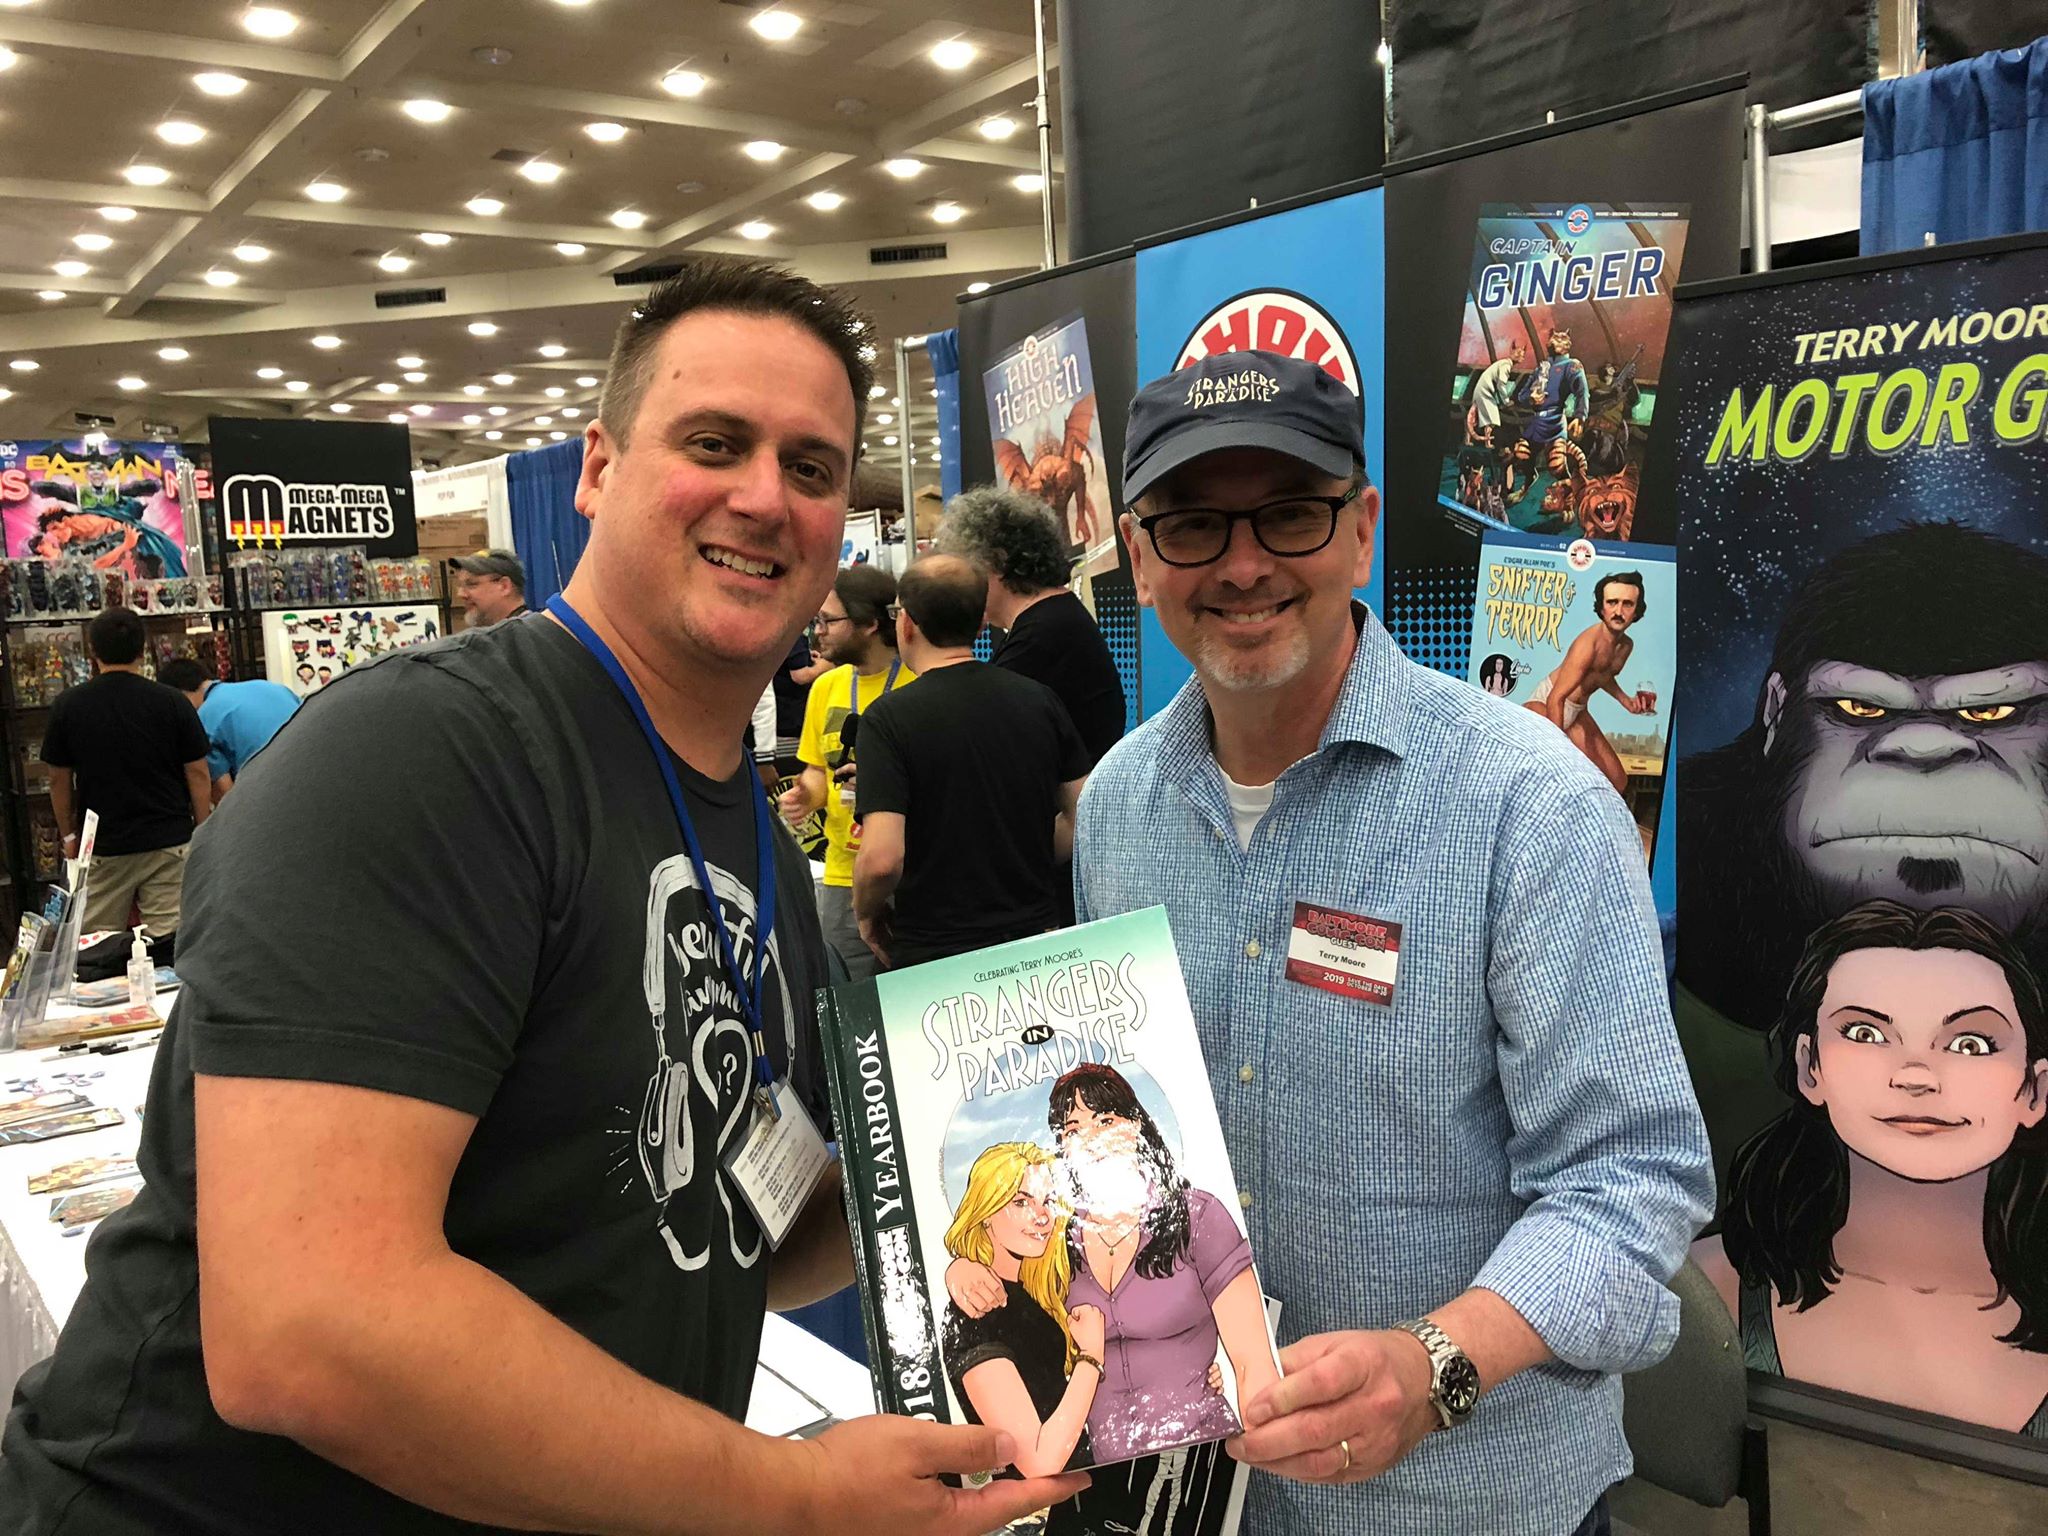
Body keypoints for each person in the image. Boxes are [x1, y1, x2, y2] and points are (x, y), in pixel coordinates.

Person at [0, 260, 1083, 1536]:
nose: (762, 497)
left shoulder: (754, 845)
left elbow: (744, 1221)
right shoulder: (431, 755)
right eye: (713, 443)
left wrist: (976, 1172)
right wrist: (790, 1497)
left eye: (810, 466)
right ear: (598, 469)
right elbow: (308, 1329)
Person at [1066, 349, 1711, 1535]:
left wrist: (1436, 1363)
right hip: (1191, 1494)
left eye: (1290, 513)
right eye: (1192, 523)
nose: (1243, 564)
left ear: (1360, 531)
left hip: (1463, 1501)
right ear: (1139, 556)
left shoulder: (1529, 805)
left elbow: (1629, 1180)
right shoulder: (1115, 808)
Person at [1695, 900, 2048, 1436]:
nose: (1916, 1075)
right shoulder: (1708, 1287)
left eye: (1970, 1043)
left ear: (2035, 1089)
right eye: (1866, 1034)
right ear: (1809, 1066)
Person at [850, 555, 1089, 970]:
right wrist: (1019, 854)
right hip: (1035, 947)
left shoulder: (886, 720)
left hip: (934, 958)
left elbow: (882, 858)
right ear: (980, 624)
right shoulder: (1040, 701)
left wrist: (866, 911)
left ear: (906, 624)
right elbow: (1083, 813)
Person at [38, 607, 211, 937]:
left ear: (92, 651)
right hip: (168, 840)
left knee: (98, 945)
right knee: (171, 942)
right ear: (142, 649)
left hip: (104, 845)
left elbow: (58, 778)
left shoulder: (69, 705)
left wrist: (69, 836)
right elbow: (198, 772)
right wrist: (202, 829)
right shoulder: (172, 701)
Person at [777, 565, 913, 981]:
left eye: (828, 621)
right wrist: (806, 795)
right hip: (843, 875)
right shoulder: (825, 687)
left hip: (909, 868)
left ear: (869, 624)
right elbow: (818, 769)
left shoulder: (916, 682)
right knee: (851, 996)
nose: (817, 633)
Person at [941, 1142, 1104, 1477]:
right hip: (1044, 1500)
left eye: (1048, 1201)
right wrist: (1091, 1357)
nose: (1042, 1216)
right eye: (1021, 1202)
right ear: (985, 1213)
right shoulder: (977, 1311)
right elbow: (1038, 1462)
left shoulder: (1034, 1291)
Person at [934, 486, 1127, 766]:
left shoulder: (1039, 640)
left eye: (964, 571)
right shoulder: (1053, 620)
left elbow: (975, 739)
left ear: (994, 562)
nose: (961, 586)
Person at [1523, 569, 1657, 795]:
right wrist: (1560, 750)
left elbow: (1602, 675)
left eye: (1627, 604)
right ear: (1602, 608)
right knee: (1558, 776)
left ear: (1637, 610)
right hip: (1546, 704)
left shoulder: (1625, 646)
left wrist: (1626, 701)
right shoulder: (1588, 644)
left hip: (1577, 710)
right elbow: (1556, 697)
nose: (1618, 611)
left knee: (1618, 781)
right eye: (1612, 602)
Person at [158, 657, 301, 803]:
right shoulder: (271, 687)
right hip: (311, 774)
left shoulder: (202, 720)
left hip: (275, 796)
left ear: (179, 695)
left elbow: (225, 794)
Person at [447, 548, 529, 627]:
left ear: (504, 586)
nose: (461, 594)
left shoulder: (528, 634)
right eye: (460, 585)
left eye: (471, 584)